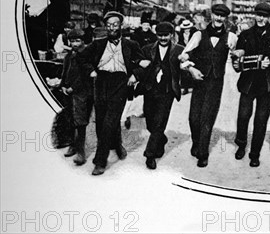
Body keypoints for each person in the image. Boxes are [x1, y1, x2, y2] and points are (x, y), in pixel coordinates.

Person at [78, 11, 144, 176]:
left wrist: (135, 74)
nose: (112, 28)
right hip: (101, 83)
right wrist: (91, 71)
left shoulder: (131, 45)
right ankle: (117, 145)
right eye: (108, 25)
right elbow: (81, 58)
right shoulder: (98, 44)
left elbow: (144, 63)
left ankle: (100, 161)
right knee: (101, 122)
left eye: (115, 24)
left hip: (121, 84)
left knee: (110, 120)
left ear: (121, 25)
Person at [182, 4, 237, 167]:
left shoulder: (231, 37)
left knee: (207, 117)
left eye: (222, 16)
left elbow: (238, 55)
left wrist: (237, 54)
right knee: (193, 118)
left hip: (216, 81)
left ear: (225, 18)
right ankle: (196, 141)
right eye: (216, 15)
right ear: (211, 16)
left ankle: (203, 153)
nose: (219, 18)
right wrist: (191, 69)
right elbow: (184, 56)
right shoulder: (199, 35)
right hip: (200, 80)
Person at [232, 3, 270, 167]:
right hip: (248, 82)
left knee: (261, 119)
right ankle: (241, 145)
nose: (261, 19)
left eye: (264, 16)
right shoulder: (245, 34)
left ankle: (255, 154)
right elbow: (239, 55)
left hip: (266, 83)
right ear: (254, 16)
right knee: (243, 116)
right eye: (258, 15)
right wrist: (236, 61)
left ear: (269, 17)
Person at [136, 22, 184, 170]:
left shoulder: (179, 50)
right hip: (150, 89)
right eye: (160, 35)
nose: (163, 38)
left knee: (159, 122)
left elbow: (186, 65)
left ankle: (150, 155)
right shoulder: (147, 49)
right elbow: (138, 63)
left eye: (166, 35)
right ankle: (161, 140)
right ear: (156, 35)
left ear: (171, 35)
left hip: (167, 90)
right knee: (150, 123)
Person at [58, 28, 94, 165]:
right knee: (70, 118)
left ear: (83, 41)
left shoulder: (86, 56)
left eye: (77, 40)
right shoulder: (68, 56)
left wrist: (74, 87)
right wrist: (62, 85)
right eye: (72, 41)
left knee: (80, 121)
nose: (74, 44)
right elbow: (64, 72)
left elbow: (85, 76)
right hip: (68, 91)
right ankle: (72, 144)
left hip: (82, 93)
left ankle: (81, 151)